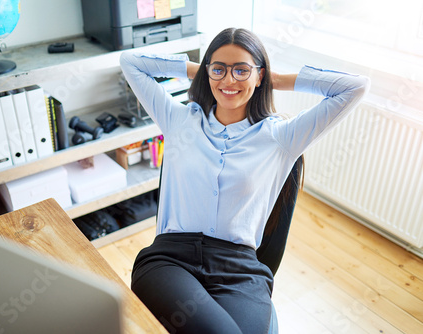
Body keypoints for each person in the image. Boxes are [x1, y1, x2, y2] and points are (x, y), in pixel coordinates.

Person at [120, 28, 370, 334]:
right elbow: (130, 61)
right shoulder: (179, 121)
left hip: (239, 270)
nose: (228, 81)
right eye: (219, 69)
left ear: (260, 75)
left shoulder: (281, 137)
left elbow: (355, 87)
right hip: (170, 260)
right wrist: (203, 72)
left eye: (241, 70)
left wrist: (275, 80)